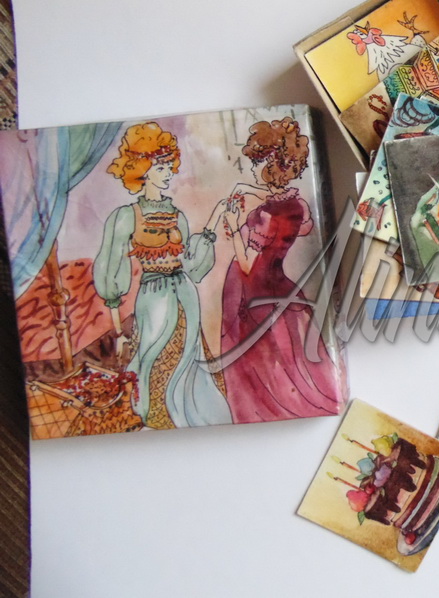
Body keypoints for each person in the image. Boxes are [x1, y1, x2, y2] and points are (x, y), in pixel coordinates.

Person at [94, 122, 232, 430]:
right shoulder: (126, 216)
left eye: (169, 166)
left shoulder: (177, 216)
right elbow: (111, 267)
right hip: (153, 296)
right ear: (142, 170)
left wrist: (213, 221)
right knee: (153, 353)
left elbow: (192, 266)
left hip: (184, 292)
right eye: (160, 167)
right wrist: (117, 329)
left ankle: (189, 414)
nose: (168, 172)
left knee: (188, 352)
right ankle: (156, 415)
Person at [218, 117, 344, 423]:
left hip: (253, 289)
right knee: (289, 357)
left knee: (256, 359)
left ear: (273, 165)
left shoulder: (264, 215)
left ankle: (264, 411)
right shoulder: (298, 206)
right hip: (280, 284)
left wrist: (234, 227)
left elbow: (247, 264)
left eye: (257, 163)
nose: (252, 169)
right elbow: (302, 228)